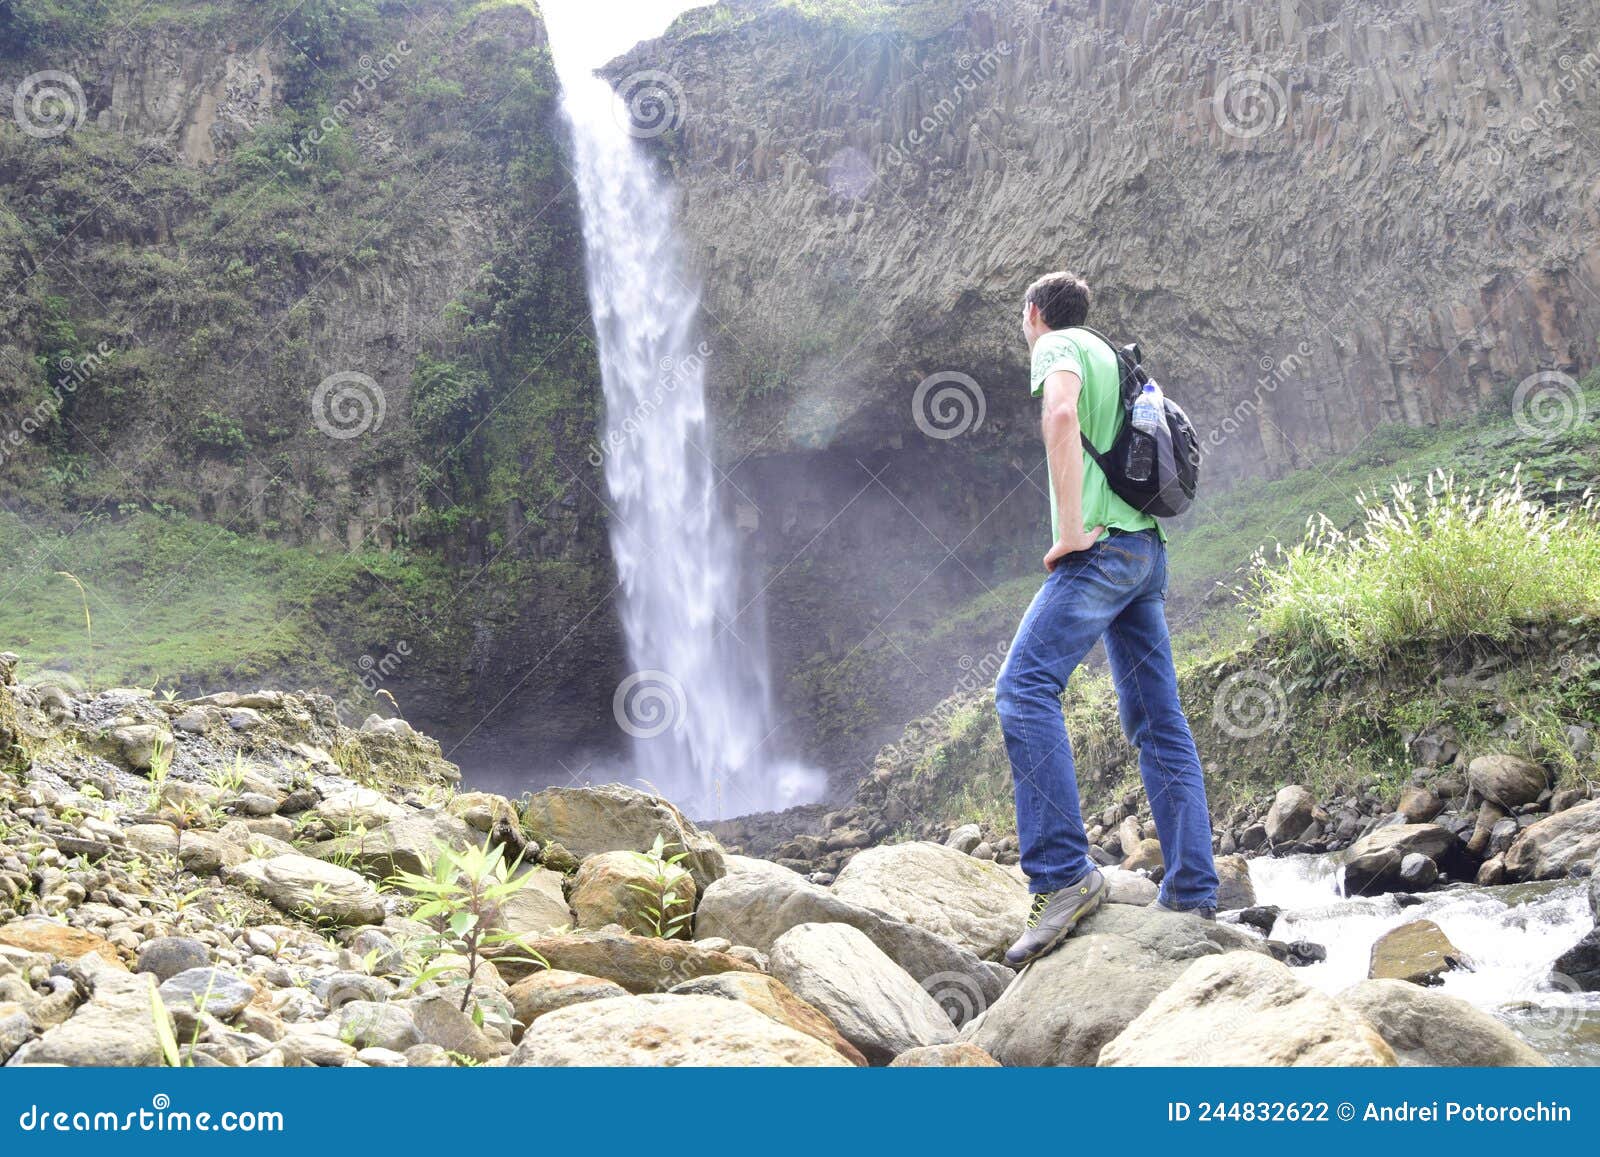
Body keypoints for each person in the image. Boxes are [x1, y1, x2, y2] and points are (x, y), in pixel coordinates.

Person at [996, 270, 1219, 967]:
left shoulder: (1055, 346)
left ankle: (1063, 874)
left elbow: (1060, 416)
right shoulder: (1114, 355)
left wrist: (1069, 531)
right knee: (1159, 722)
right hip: (1146, 553)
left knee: (1022, 689)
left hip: (1101, 552)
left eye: (1024, 317)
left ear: (1035, 314)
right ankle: (1191, 888)